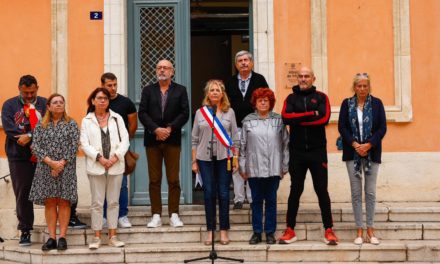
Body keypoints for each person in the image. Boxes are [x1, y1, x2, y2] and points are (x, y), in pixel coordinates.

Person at [280, 66, 338, 245]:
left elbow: (324, 118)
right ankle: (290, 229)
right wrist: (310, 114)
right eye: (300, 76)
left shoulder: (322, 97)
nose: (303, 79)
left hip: (317, 152)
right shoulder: (290, 98)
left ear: (313, 78)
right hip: (297, 152)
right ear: (297, 79)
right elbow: (285, 117)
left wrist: (298, 117)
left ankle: (329, 229)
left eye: (307, 76)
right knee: (295, 190)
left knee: (321, 190)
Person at [138, 59, 189, 228]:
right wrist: (156, 129)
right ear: (156, 71)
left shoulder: (180, 90)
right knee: (154, 179)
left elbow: (185, 113)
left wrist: (169, 129)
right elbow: (142, 113)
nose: (162, 70)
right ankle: (156, 215)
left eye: (165, 68)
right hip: (152, 140)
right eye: (159, 67)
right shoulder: (148, 90)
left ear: (172, 72)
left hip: (172, 139)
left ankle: (174, 214)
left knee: (173, 178)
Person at [338, 73, 387, 245]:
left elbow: (382, 128)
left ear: (369, 87)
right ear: (354, 87)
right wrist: (354, 144)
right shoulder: (347, 104)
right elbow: (342, 126)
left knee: (371, 192)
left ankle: (370, 230)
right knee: (356, 193)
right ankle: (359, 230)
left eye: (365, 86)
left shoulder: (377, 103)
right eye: (359, 86)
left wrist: (369, 145)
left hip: (372, 153)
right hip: (353, 154)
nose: (362, 89)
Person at [28, 94, 79, 251]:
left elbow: (74, 145)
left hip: (66, 168)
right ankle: (51, 238)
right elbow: (36, 146)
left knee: (64, 201)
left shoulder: (71, 124)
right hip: (45, 168)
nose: (59, 105)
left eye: (61, 102)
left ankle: (62, 237)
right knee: (50, 201)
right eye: (55, 102)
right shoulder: (41, 125)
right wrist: (51, 163)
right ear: (48, 106)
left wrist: (60, 164)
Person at [80, 88, 129, 249]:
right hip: (96, 166)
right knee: (97, 202)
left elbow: (125, 141)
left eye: (105, 98)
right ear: (93, 100)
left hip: (116, 165)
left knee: (114, 202)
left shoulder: (117, 118)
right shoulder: (86, 120)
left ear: (109, 101)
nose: (102, 101)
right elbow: (84, 144)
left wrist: (115, 157)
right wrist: (100, 158)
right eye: (99, 98)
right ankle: (96, 237)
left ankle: (113, 236)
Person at [191, 79, 239, 245]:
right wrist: (194, 161)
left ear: (222, 93)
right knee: (209, 194)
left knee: (224, 194)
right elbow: (194, 138)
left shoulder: (229, 112)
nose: (215, 92)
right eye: (212, 90)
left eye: (218, 90)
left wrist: (235, 158)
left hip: (224, 158)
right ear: (207, 93)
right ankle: (211, 231)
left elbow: (234, 138)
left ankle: (224, 231)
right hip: (204, 158)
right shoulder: (200, 113)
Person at [239, 88, 289, 245]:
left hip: (274, 168)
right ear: (255, 103)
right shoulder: (247, 120)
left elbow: (285, 144)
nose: (262, 102)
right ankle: (256, 232)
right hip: (253, 168)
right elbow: (242, 146)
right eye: (259, 100)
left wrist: (285, 164)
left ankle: (269, 232)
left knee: (271, 201)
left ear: (271, 103)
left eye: (266, 100)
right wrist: (242, 166)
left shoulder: (278, 120)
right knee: (256, 201)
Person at [1, 75, 47, 246]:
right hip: (19, 156)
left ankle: (67, 219)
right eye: (25, 92)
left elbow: (50, 125)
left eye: (32, 92)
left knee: (56, 187)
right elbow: (8, 127)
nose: (29, 96)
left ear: (37, 88)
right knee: (23, 193)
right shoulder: (9, 105)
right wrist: (24, 136)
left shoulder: (44, 103)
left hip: (45, 156)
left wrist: (30, 135)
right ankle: (25, 229)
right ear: (19, 88)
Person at [225, 50, 269, 210]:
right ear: (236, 65)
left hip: (254, 127)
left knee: (252, 162)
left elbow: (267, 101)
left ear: (251, 63)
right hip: (234, 128)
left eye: (246, 60)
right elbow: (224, 104)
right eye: (240, 61)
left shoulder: (259, 80)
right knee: (235, 162)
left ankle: (252, 197)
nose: (243, 63)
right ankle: (238, 198)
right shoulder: (229, 82)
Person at [101, 72, 138, 228]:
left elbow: (133, 125)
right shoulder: (97, 102)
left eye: (115, 84)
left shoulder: (126, 102)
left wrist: (123, 143)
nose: (113, 88)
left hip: (120, 150)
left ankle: (122, 215)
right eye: (109, 85)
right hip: (101, 150)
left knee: (121, 184)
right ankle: (104, 216)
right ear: (102, 85)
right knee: (102, 183)